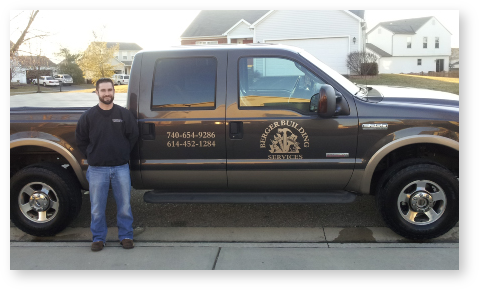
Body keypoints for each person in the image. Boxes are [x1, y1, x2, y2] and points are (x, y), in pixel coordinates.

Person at [75, 77, 139, 252]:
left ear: (114, 91)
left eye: (109, 90)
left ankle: (126, 235)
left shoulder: (124, 115)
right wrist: (91, 155)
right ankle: (98, 238)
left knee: (125, 205)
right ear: (97, 92)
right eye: (102, 90)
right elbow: (80, 140)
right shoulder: (88, 117)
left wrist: (123, 153)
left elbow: (133, 136)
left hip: (121, 168)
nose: (106, 94)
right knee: (97, 207)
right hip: (97, 169)